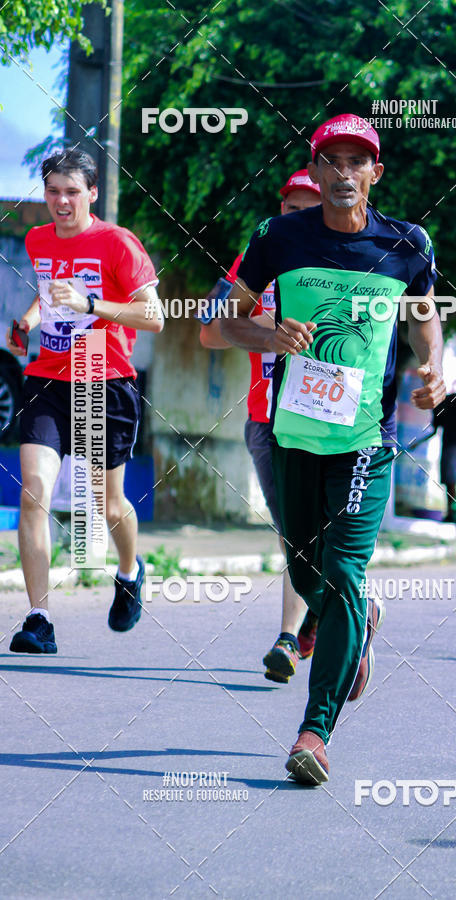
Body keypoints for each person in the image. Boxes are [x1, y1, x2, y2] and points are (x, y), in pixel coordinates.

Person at [221, 114, 446, 784]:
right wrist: (270, 334)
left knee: (342, 571)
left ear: (376, 173)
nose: (345, 174)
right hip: (293, 433)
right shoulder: (277, 238)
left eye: (359, 162)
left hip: (364, 439)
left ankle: (313, 733)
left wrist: (432, 368)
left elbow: (425, 320)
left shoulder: (408, 244)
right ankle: (358, 623)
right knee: (302, 569)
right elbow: (228, 322)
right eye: (333, 162)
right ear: (314, 174)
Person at [8, 148, 163, 654]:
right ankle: (39, 618)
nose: (61, 201)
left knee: (107, 503)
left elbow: (154, 317)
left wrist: (93, 304)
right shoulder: (36, 239)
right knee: (34, 490)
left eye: (72, 191)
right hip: (48, 378)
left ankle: (129, 570)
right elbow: (51, 292)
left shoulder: (117, 243)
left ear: (92, 192)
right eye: (53, 191)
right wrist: (29, 320)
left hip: (103, 376)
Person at [200, 170, 321, 683]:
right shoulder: (256, 263)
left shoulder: (347, 261)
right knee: (293, 532)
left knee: (313, 532)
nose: (299, 218)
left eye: (309, 209)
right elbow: (209, 332)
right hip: (264, 420)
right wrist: (269, 329)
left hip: (327, 422)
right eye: (291, 209)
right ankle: (320, 617)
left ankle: (292, 636)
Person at [432, 382, 456, 523]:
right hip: (446, 445)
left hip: (455, 444)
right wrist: (416, 443)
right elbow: (435, 430)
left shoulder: (453, 399)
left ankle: (454, 512)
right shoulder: (436, 407)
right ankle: (450, 511)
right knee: (447, 480)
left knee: (451, 479)